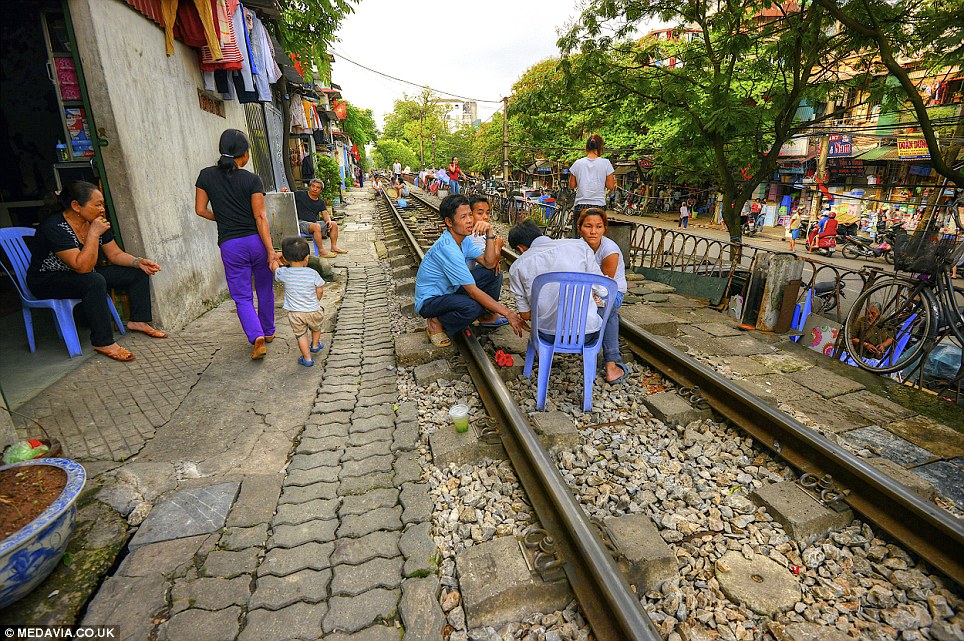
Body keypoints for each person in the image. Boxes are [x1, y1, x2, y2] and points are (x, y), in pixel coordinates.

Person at [26, 181, 165, 362]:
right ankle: (103, 341)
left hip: (79, 275)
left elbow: (114, 254)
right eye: (97, 204)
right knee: (94, 280)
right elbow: (81, 266)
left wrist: (138, 262)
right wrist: (93, 234)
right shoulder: (55, 226)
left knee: (135, 273)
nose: (102, 209)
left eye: (102, 204)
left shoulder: (95, 222)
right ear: (76, 206)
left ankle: (138, 321)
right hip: (47, 280)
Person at [196, 128, 279, 360]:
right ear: (243, 154)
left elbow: (200, 210)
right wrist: (271, 251)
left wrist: (222, 218)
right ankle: (269, 331)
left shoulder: (205, 176)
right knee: (264, 288)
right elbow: (260, 217)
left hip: (231, 246)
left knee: (242, 296)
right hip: (256, 242)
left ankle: (257, 337)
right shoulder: (252, 179)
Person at [508, 220, 621, 379]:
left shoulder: (518, 266)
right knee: (611, 309)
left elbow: (525, 315)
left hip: (547, 336)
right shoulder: (579, 247)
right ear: (541, 234)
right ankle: (612, 367)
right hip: (585, 335)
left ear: (520, 248)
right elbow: (603, 290)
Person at [414, 194, 526, 346]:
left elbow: (489, 263)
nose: (469, 221)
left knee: (493, 273)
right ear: (449, 222)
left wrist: (490, 234)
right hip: (430, 301)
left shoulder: (464, 240)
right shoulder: (448, 248)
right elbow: (473, 291)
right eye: (463, 217)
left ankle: (486, 315)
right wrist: (508, 313)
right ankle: (436, 321)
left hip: (449, 292)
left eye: (469, 215)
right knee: (473, 307)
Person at [576, 208, 630, 384]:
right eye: (588, 226)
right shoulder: (577, 247)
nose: (593, 231)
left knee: (607, 308)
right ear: (579, 227)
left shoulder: (609, 250)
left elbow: (606, 287)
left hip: (611, 292)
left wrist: (593, 299)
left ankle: (611, 362)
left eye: (598, 227)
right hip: (587, 291)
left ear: (605, 228)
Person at [272, 236, 325, 367]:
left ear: (285, 259)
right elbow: (320, 290)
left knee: (301, 335)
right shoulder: (312, 273)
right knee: (316, 327)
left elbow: (273, 267)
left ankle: (307, 359)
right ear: (307, 258)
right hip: (314, 310)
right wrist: (316, 300)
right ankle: (315, 345)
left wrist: (276, 257)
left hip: (296, 314)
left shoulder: (284, 273)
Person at [568, 134, 615, 237]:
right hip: (599, 206)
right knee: (597, 238)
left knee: (579, 239)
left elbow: (571, 185)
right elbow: (611, 186)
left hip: (581, 206)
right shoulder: (606, 163)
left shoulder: (577, 163)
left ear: (587, 146)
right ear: (600, 147)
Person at [289, 179, 346, 258]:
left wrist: (328, 221)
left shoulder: (320, 202)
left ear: (321, 190)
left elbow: (325, 213)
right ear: (310, 187)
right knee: (316, 226)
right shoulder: (300, 194)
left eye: (318, 187)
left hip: (313, 223)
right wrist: (284, 191)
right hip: (301, 223)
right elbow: (288, 196)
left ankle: (334, 247)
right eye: (313, 186)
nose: (314, 189)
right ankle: (321, 251)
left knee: (333, 224)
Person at [466, 196, 504, 299]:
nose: (485, 217)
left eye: (487, 213)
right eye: (480, 213)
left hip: (467, 278)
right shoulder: (473, 236)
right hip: (462, 282)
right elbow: (491, 262)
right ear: (470, 215)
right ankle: (489, 311)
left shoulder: (477, 233)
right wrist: (497, 246)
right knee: (495, 273)